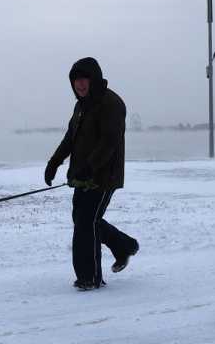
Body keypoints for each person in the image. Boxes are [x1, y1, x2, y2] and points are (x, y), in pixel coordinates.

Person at [45, 57, 139, 291]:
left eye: (84, 78)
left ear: (94, 79)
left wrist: (90, 166)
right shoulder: (80, 106)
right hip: (82, 176)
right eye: (76, 80)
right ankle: (124, 246)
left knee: (86, 222)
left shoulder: (111, 103)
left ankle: (89, 277)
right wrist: (54, 162)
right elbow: (70, 139)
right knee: (84, 219)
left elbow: (110, 141)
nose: (80, 84)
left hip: (104, 176)